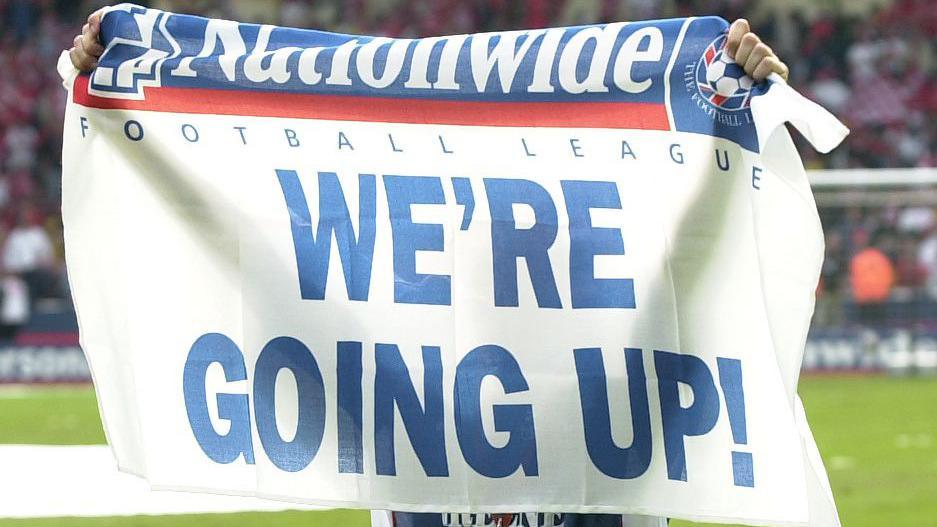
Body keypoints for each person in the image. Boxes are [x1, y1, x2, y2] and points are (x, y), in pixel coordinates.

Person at [67, 9, 791, 527]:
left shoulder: (620, 374)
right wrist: (125, 107)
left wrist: (731, 112)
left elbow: (696, 258)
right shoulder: (389, 388)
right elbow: (242, 247)